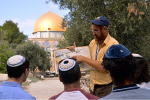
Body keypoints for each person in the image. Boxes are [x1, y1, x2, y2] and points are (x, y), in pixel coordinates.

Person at [67, 16, 119, 98]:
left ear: (104, 29)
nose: (93, 33)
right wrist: (74, 51)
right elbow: (86, 58)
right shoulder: (93, 43)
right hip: (92, 87)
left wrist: (83, 58)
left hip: (106, 88)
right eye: (92, 30)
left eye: (96, 30)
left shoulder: (113, 45)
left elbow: (103, 66)